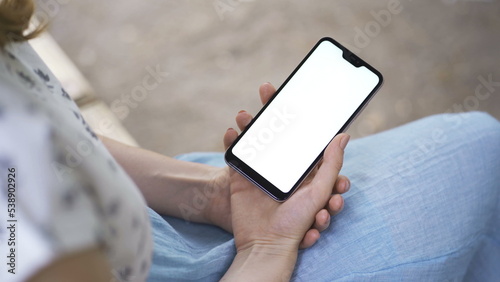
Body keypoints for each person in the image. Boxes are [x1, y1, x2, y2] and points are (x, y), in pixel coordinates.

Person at [0, 1, 498, 281]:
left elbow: (60, 149)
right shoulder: (29, 240)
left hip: (163, 220)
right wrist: (265, 247)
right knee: (481, 148)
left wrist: (209, 195)